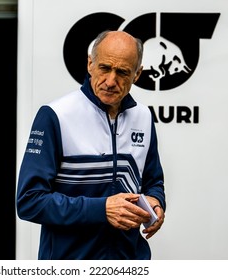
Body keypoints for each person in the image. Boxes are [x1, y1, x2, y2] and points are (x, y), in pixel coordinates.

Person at [16, 30, 166, 260]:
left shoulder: (143, 116)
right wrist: (101, 210)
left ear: (137, 74)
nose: (110, 81)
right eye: (105, 68)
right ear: (90, 64)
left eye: (123, 72)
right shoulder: (55, 115)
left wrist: (155, 201)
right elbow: (29, 201)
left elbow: (153, 181)